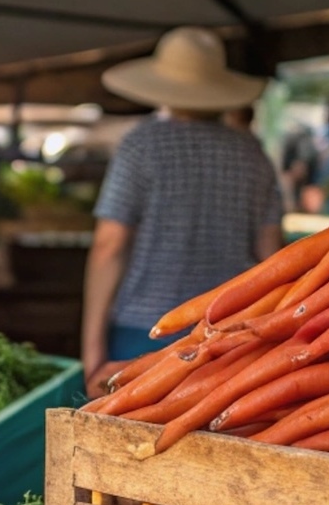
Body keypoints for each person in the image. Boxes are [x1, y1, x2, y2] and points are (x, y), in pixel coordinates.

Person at [80, 27, 284, 397]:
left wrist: (91, 354)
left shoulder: (141, 146)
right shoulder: (254, 157)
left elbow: (109, 246)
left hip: (143, 332)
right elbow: (273, 260)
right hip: (227, 334)